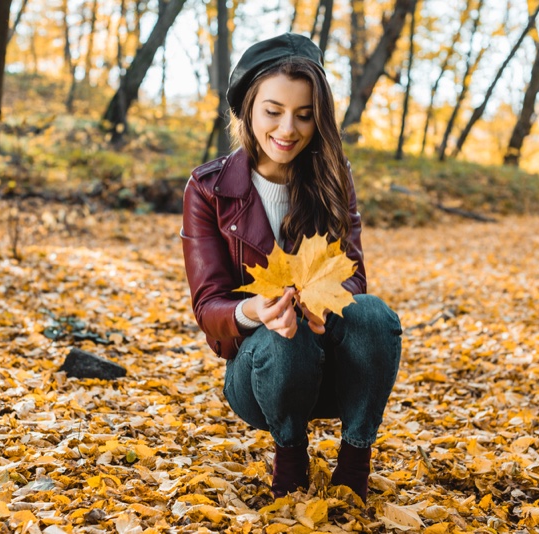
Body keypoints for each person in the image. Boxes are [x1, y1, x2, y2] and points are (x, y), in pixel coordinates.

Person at [180, 33, 402, 503]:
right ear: (247, 109)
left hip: (331, 366)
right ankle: (291, 457)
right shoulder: (207, 189)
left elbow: (354, 276)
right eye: (273, 111)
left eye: (304, 115)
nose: (288, 129)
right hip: (259, 373)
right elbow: (208, 305)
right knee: (285, 337)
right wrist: (254, 311)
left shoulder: (333, 177)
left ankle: (354, 463)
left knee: (375, 314)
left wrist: (326, 308)